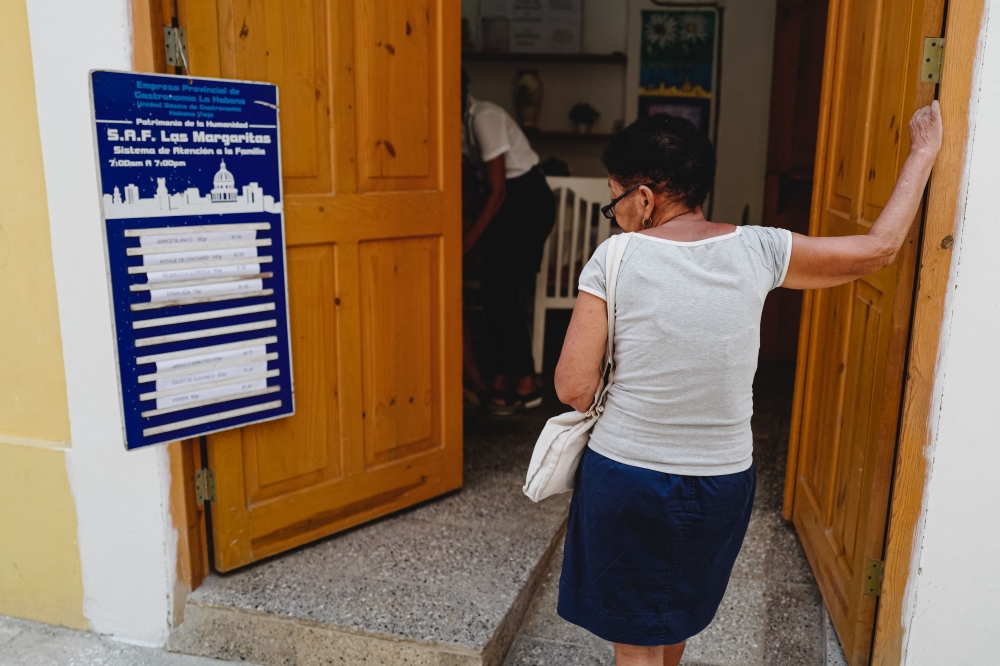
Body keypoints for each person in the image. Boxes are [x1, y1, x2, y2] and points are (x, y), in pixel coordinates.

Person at [552, 104, 942, 666]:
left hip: (629, 476)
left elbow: (572, 387)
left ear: (642, 198)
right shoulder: (759, 248)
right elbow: (877, 251)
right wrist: (923, 152)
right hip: (722, 480)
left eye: (613, 200)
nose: (614, 215)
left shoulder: (615, 255)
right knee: (673, 613)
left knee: (634, 636)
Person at [462, 71, 556, 415]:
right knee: (491, 288)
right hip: (506, 202)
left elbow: (499, 189)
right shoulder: (459, 122)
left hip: (527, 200)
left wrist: (468, 240)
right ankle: (503, 374)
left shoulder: (483, 117)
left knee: (504, 289)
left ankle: (527, 383)